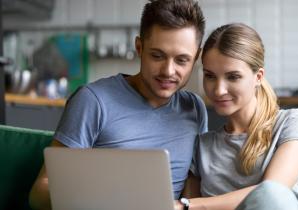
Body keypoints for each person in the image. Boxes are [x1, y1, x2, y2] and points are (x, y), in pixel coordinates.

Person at [29, 0, 207, 209]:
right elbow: (40, 193)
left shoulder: (194, 108)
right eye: (157, 56)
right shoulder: (93, 100)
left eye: (182, 60)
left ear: (196, 58)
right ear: (139, 48)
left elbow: (192, 191)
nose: (168, 70)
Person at [175, 23, 298, 210]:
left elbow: (273, 193)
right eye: (210, 76)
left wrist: (189, 205)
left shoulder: (292, 122)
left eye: (233, 77)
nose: (219, 90)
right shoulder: (201, 147)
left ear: (258, 77)